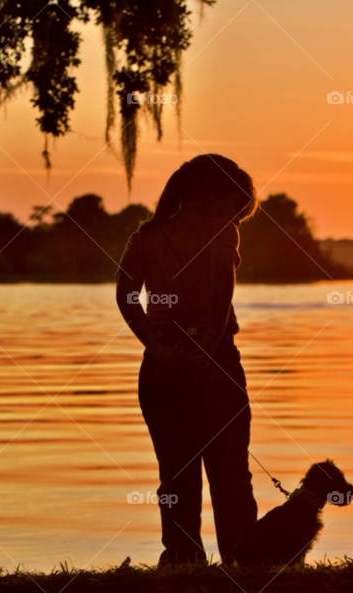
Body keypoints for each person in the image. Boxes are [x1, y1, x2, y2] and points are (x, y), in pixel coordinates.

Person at [115, 154, 258, 566]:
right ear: (212, 194)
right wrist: (211, 345)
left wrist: (157, 349)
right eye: (235, 204)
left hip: (163, 363)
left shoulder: (145, 238)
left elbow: (127, 297)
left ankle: (181, 558)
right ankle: (241, 559)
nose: (236, 215)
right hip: (213, 361)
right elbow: (220, 290)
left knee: (175, 472)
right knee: (230, 467)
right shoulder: (222, 231)